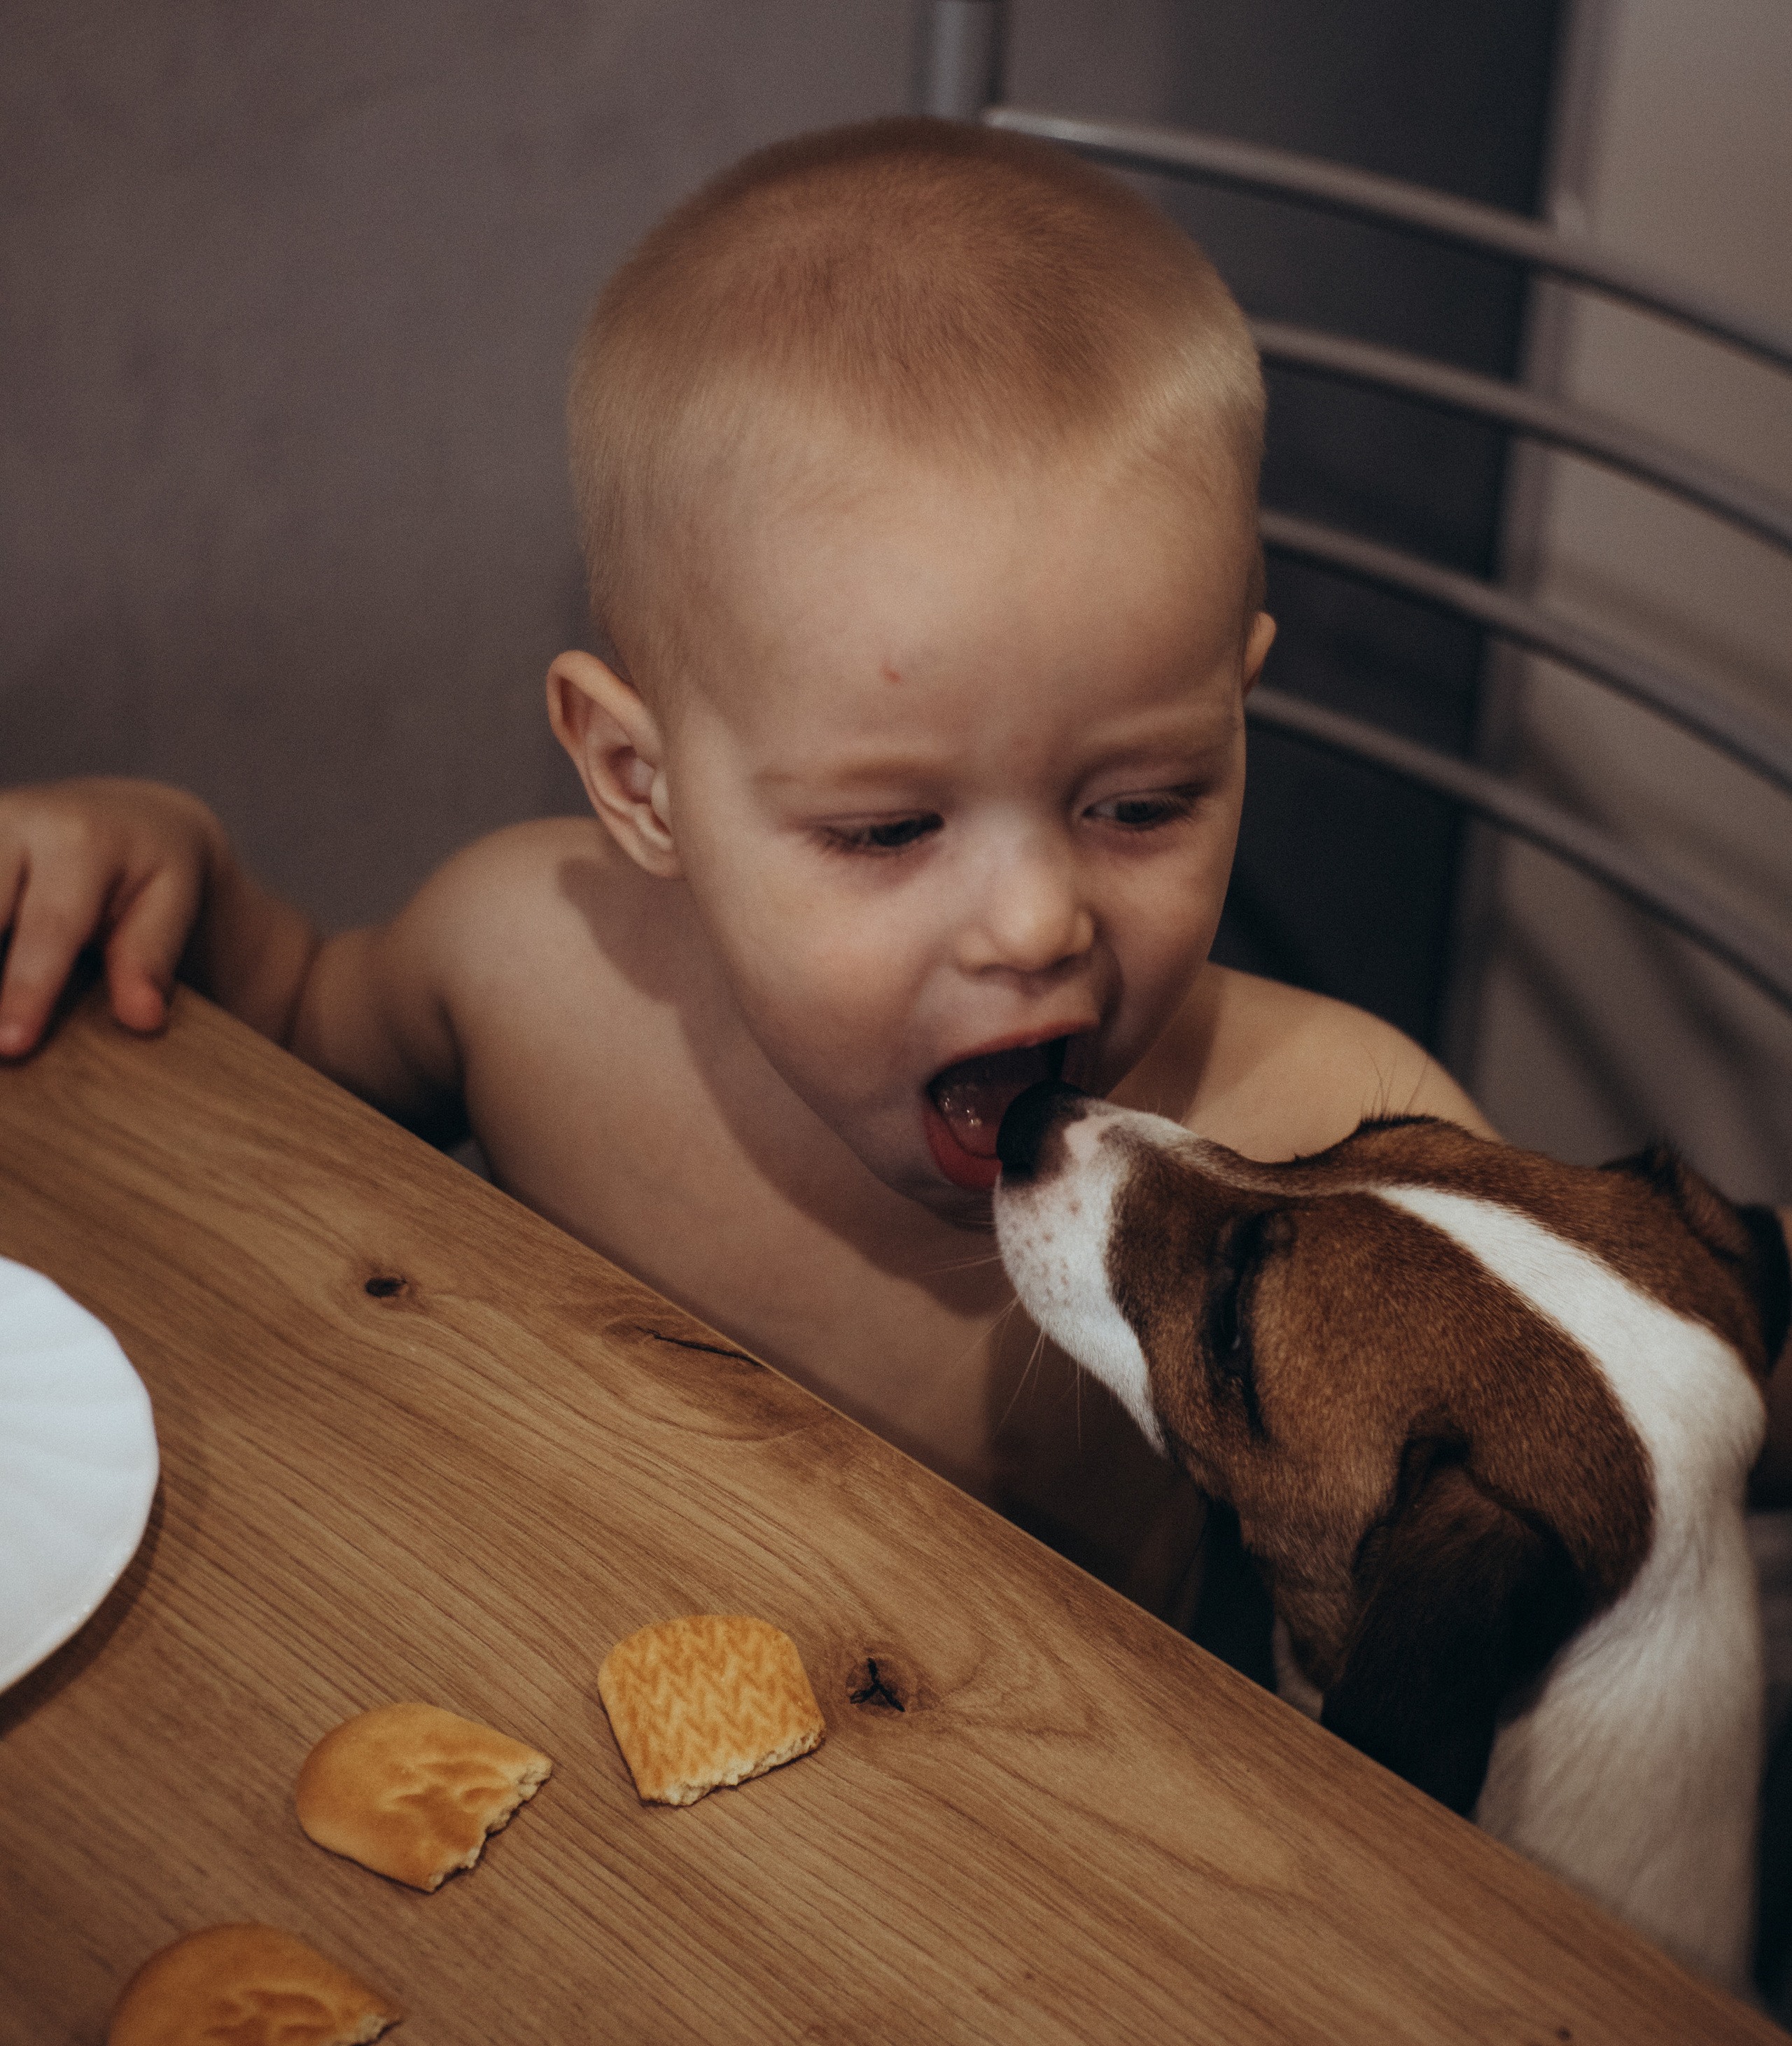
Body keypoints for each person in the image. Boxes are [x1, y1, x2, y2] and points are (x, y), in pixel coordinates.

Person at [1, 119, 1782, 1618]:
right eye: (884, 830)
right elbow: (294, 1048)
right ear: (641, 784)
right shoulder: (515, 960)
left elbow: (1594, 1499)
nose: (1034, 926)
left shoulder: (1328, 1153)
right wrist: (183, 871)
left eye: (1144, 801)